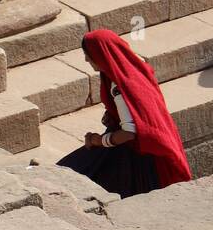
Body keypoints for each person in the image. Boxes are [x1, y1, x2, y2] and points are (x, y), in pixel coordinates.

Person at [57, 29, 192, 198]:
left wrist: (99, 140)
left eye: (88, 55)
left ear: (100, 55)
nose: (86, 59)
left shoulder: (118, 87)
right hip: (158, 143)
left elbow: (129, 132)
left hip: (138, 156)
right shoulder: (135, 68)